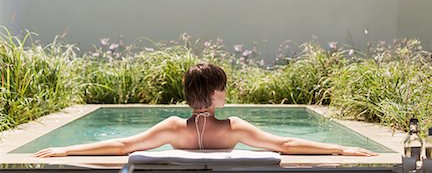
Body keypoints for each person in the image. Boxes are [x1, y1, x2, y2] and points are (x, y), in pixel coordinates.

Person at [34, 63, 378, 158]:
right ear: (215, 94)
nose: (227, 92)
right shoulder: (233, 128)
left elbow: (124, 146)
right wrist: (339, 146)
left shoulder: (173, 127)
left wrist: (68, 148)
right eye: (224, 87)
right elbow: (285, 145)